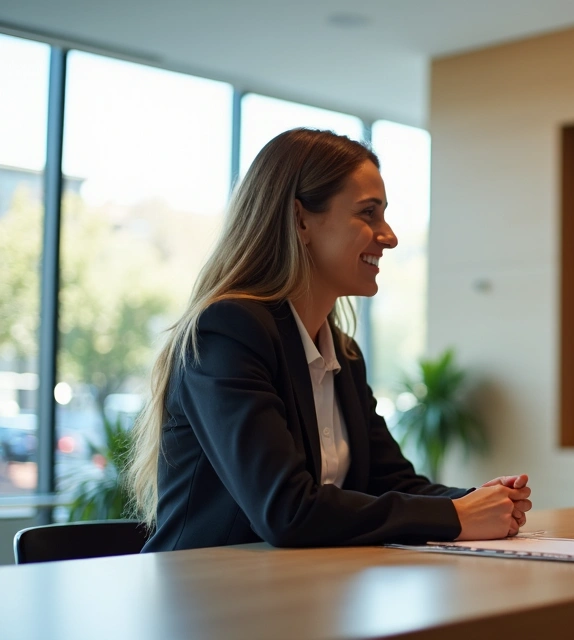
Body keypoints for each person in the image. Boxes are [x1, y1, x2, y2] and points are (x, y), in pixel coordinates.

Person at [130, 128, 531, 551]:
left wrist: (478, 502)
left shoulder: (342, 353)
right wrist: (454, 517)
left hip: (303, 596)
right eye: (368, 213)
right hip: (208, 603)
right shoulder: (228, 332)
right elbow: (286, 511)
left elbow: (390, 482)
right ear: (301, 220)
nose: (390, 236)